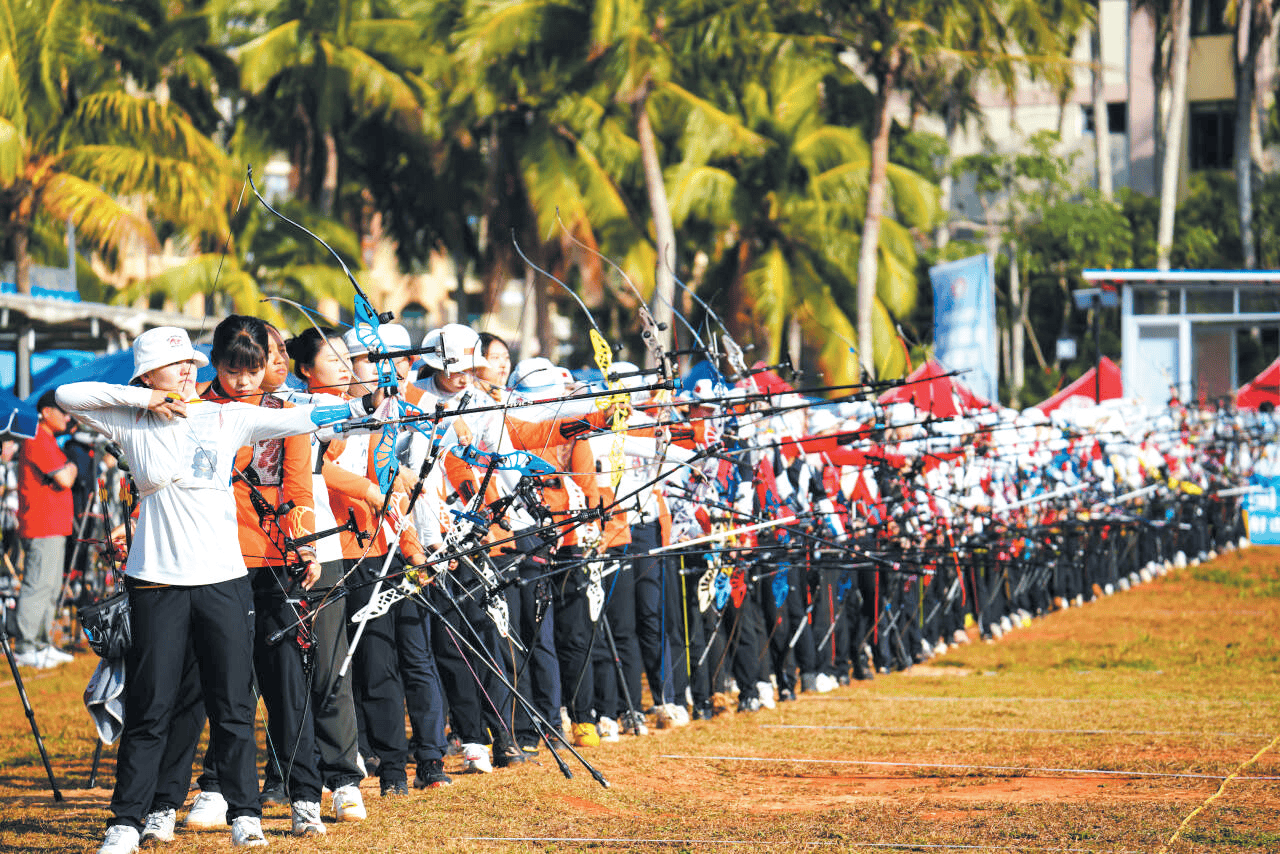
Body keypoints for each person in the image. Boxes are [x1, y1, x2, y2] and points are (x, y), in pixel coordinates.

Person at [59, 326, 369, 854]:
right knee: (152, 705)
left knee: (233, 705)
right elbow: (70, 395)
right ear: (148, 373)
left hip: (223, 579)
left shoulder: (223, 415)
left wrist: (358, 402)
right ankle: (129, 821)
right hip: (156, 580)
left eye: (190, 363)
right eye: (175, 363)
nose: (188, 370)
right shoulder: (131, 418)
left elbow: (306, 418)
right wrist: (150, 399)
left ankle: (245, 813)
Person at [13, 389, 77, 669]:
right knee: (37, 585)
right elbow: (64, 477)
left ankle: (41, 644)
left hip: (54, 525)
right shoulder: (38, 437)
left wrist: (69, 468)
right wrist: (72, 466)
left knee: (50, 587)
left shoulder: (49, 439)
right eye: (62, 411)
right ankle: (25, 646)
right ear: (47, 412)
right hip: (41, 525)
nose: (68, 416)